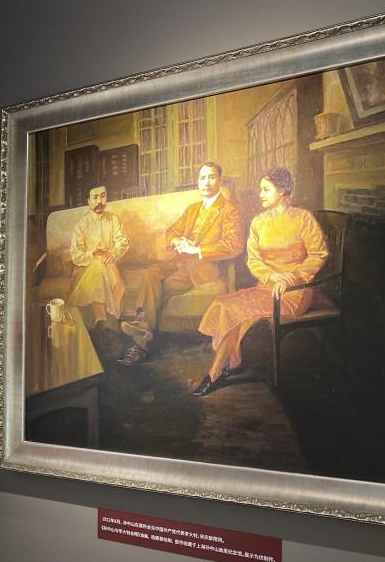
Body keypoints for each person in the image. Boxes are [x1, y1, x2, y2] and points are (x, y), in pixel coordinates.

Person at [192, 167, 328, 396]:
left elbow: (318, 254)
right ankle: (229, 363)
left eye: (265, 189)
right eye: (260, 189)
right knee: (224, 305)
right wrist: (272, 276)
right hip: (266, 287)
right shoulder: (258, 222)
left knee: (235, 312)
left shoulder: (303, 218)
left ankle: (214, 374)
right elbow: (253, 260)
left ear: (282, 190)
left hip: (294, 291)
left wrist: (293, 277)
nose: (260, 194)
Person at [119, 162, 242, 365]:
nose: (206, 182)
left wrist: (197, 249)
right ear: (197, 182)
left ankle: (139, 340)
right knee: (153, 272)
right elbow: (171, 232)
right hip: (179, 262)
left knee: (157, 288)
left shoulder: (230, 210)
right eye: (202, 178)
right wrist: (177, 241)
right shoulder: (192, 209)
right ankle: (142, 326)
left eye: (211, 177)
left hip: (203, 267)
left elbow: (233, 245)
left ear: (220, 181)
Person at [65, 185, 130, 327]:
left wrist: (112, 253)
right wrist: (92, 254)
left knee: (105, 270)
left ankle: (104, 324)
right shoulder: (81, 225)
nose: (99, 201)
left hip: (109, 266)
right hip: (85, 269)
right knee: (98, 267)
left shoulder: (113, 219)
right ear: (88, 201)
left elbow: (123, 242)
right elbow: (76, 255)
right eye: (95, 197)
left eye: (103, 196)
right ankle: (102, 322)